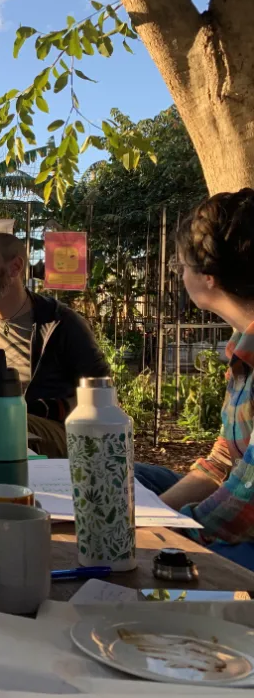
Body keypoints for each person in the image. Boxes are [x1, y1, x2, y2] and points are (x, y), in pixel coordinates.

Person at [135, 189, 254, 570]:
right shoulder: (241, 348)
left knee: (152, 551)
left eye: (179, 264)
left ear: (208, 276)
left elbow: (247, 494)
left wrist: (170, 533)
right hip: (241, 498)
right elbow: (225, 459)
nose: (178, 273)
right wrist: (151, 515)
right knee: (126, 479)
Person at [0, 232, 109, 458]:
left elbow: (101, 388)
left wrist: (51, 408)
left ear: (15, 267)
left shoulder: (60, 322)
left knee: (2, 421)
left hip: (56, 429)